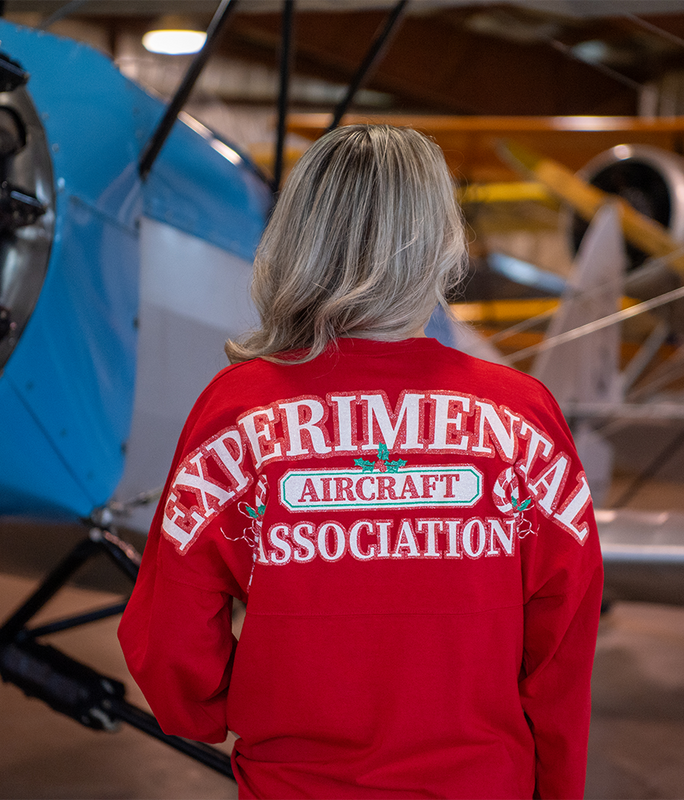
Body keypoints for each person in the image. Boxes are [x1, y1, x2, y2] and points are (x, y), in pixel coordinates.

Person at [118, 124, 603, 800]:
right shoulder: (521, 420)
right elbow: (561, 649)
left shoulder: (240, 415)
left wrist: (206, 711)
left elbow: (170, 637)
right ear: (440, 248)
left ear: (298, 238)